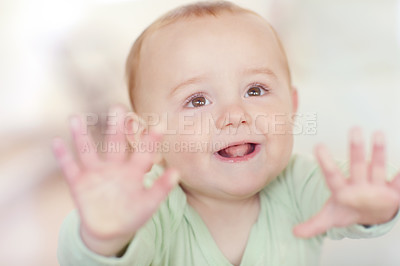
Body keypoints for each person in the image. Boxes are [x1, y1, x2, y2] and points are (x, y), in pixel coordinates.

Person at [53, 1, 400, 265]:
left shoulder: (298, 183)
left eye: (255, 91)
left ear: (291, 109)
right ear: (146, 135)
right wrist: (103, 235)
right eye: (197, 100)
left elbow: (342, 192)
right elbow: (98, 251)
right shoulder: (151, 206)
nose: (234, 115)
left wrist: (373, 205)